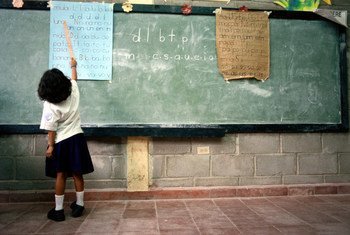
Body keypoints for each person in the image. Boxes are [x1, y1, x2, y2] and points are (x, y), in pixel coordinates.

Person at [37, 58, 94, 222]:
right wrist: (73, 66)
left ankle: (59, 210)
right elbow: (74, 79)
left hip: (61, 142)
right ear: (63, 82)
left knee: (60, 175)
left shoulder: (49, 104)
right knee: (77, 173)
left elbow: (51, 128)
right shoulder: (73, 91)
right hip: (77, 138)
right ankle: (80, 205)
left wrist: (50, 146)